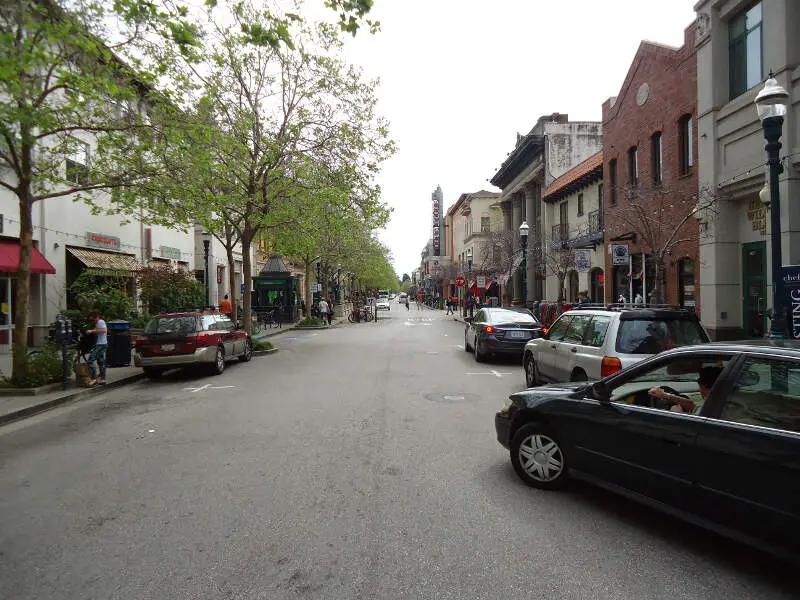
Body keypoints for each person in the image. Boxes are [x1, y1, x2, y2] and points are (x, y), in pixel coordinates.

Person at [648, 366, 723, 413]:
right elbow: (694, 406)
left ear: (703, 386)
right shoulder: (722, 400)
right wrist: (665, 395)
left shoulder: (707, 410)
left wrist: (677, 414)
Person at [87, 312, 108, 385]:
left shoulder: (100, 321)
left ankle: (94, 378)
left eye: (92, 320)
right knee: (101, 362)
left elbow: (104, 330)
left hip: (101, 345)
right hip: (101, 344)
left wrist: (92, 331)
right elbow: (97, 330)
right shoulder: (97, 323)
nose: (92, 322)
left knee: (90, 360)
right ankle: (103, 379)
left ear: (96, 317)